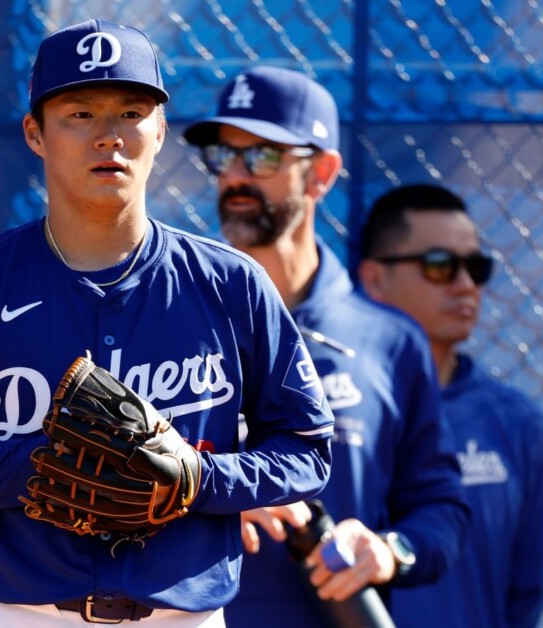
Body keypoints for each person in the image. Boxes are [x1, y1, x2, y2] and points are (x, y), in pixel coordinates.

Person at [0, 21, 335, 627]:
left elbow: (306, 452)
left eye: (131, 112)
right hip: (21, 615)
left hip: (183, 619)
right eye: (80, 114)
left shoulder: (232, 284)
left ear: (161, 130)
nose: (108, 136)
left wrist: (196, 478)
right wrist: (43, 465)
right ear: (35, 133)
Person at [182, 67, 469, 626]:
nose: (235, 176)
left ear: (322, 174)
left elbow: (442, 508)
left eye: (261, 157)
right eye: (223, 156)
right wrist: (212, 494)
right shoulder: (172, 320)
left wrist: (389, 551)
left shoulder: (388, 341)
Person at [357, 183, 543, 628]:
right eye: (439, 266)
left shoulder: (516, 422)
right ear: (374, 279)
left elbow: (528, 589)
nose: (466, 285)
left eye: (476, 267)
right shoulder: (332, 410)